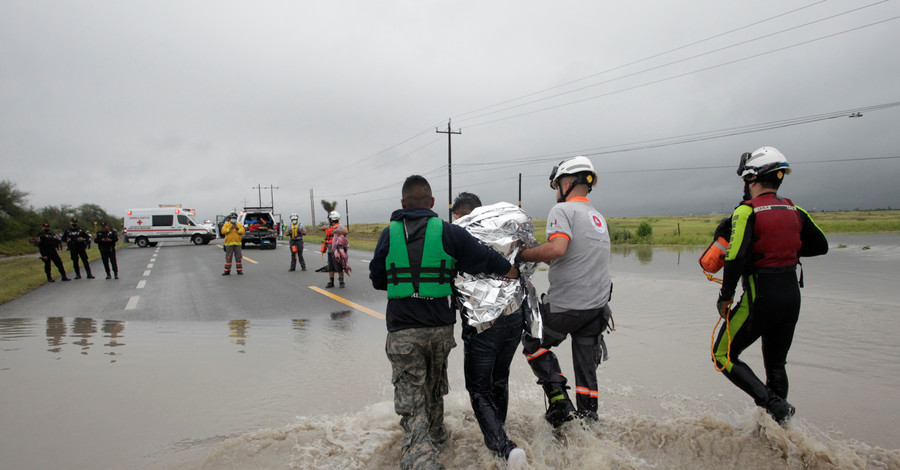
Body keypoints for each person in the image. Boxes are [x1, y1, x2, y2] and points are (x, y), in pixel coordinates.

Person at [369, 175, 519, 470]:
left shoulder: (389, 234)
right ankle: (437, 438)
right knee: (434, 387)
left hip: (403, 331)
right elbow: (486, 258)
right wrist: (511, 271)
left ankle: (420, 458)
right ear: (433, 203)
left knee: (412, 398)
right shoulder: (449, 233)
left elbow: (377, 279)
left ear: (402, 204)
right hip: (440, 330)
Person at [713, 146, 828, 423]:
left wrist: (725, 296)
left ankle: (772, 406)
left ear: (753, 178)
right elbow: (821, 246)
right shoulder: (795, 209)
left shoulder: (745, 212)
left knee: (722, 355)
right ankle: (779, 427)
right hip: (791, 297)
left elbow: (736, 255)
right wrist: (786, 252)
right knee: (776, 365)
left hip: (760, 297)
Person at [517, 156, 612, 427]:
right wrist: (543, 253)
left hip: (566, 307)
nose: (557, 191)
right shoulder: (597, 217)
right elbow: (571, 256)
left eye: (557, 185)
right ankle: (588, 420)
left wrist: (524, 254)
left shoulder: (562, 211)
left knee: (532, 342)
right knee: (585, 368)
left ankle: (559, 402)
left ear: (567, 183)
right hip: (596, 309)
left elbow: (558, 248)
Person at [451, 192, 528, 467]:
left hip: (483, 325)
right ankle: (498, 430)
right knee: (500, 379)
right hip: (514, 317)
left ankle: (504, 449)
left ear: (458, 215)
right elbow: (526, 265)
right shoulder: (506, 228)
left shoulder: (459, 233)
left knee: (479, 389)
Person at [319, 211, 348, 288]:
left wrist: (336, 230)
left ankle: (341, 281)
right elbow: (321, 228)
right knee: (330, 266)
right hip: (330, 250)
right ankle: (331, 281)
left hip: (337, 251)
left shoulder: (340, 226)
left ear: (332, 219)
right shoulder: (330, 227)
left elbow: (346, 231)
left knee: (339, 266)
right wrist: (328, 228)